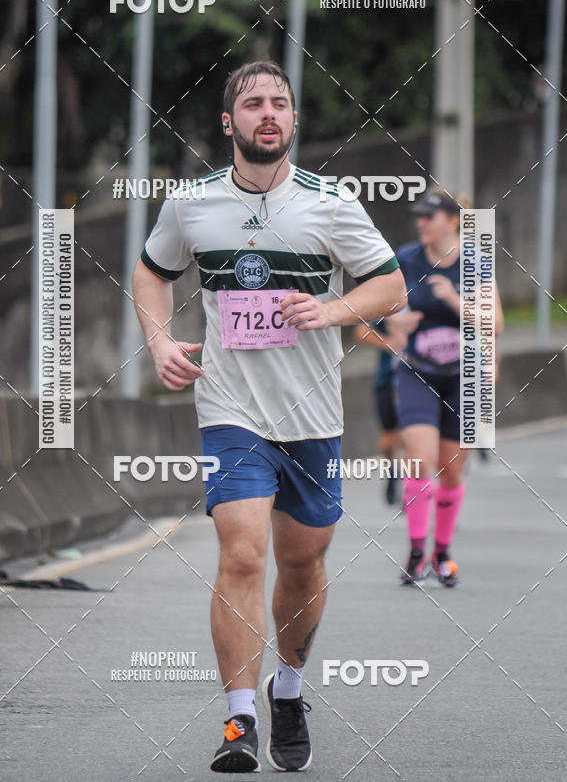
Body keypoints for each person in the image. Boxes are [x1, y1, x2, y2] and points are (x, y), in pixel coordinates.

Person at [132, 61, 406, 773]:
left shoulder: (332, 203)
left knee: (303, 559)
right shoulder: (192, 204)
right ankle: (239, 718)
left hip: (312, 413)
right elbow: (152, 272)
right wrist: (159, 338)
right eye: (253, 103)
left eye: (280, 103)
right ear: (230, 122)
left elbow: (391, 284)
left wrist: (333, 309)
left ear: (293, 121)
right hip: (231, 408)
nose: (268, 113)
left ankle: (288, 686)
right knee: (244, 550)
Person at [395, 190, 503, 587]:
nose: (421, 222)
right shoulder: (406, 258)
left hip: (466, 375)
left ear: (453, 221)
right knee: (418, 460)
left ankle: (442, 551)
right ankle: (417, 550)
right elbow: (379, 311)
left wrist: (455, 300)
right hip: (418, 370)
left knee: (452, 470)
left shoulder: (474, 261)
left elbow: (496, 324)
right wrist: (394, 323)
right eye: (418, 216)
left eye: (430, 216)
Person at [353, 311, 422, 504]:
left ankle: (412, 493)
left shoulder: (424, 295)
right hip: (388, 380)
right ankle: (393, 470)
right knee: (389, 440)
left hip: (419, 381)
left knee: (413, 436)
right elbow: (361, 331)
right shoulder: (390, 301)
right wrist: (388, 343)